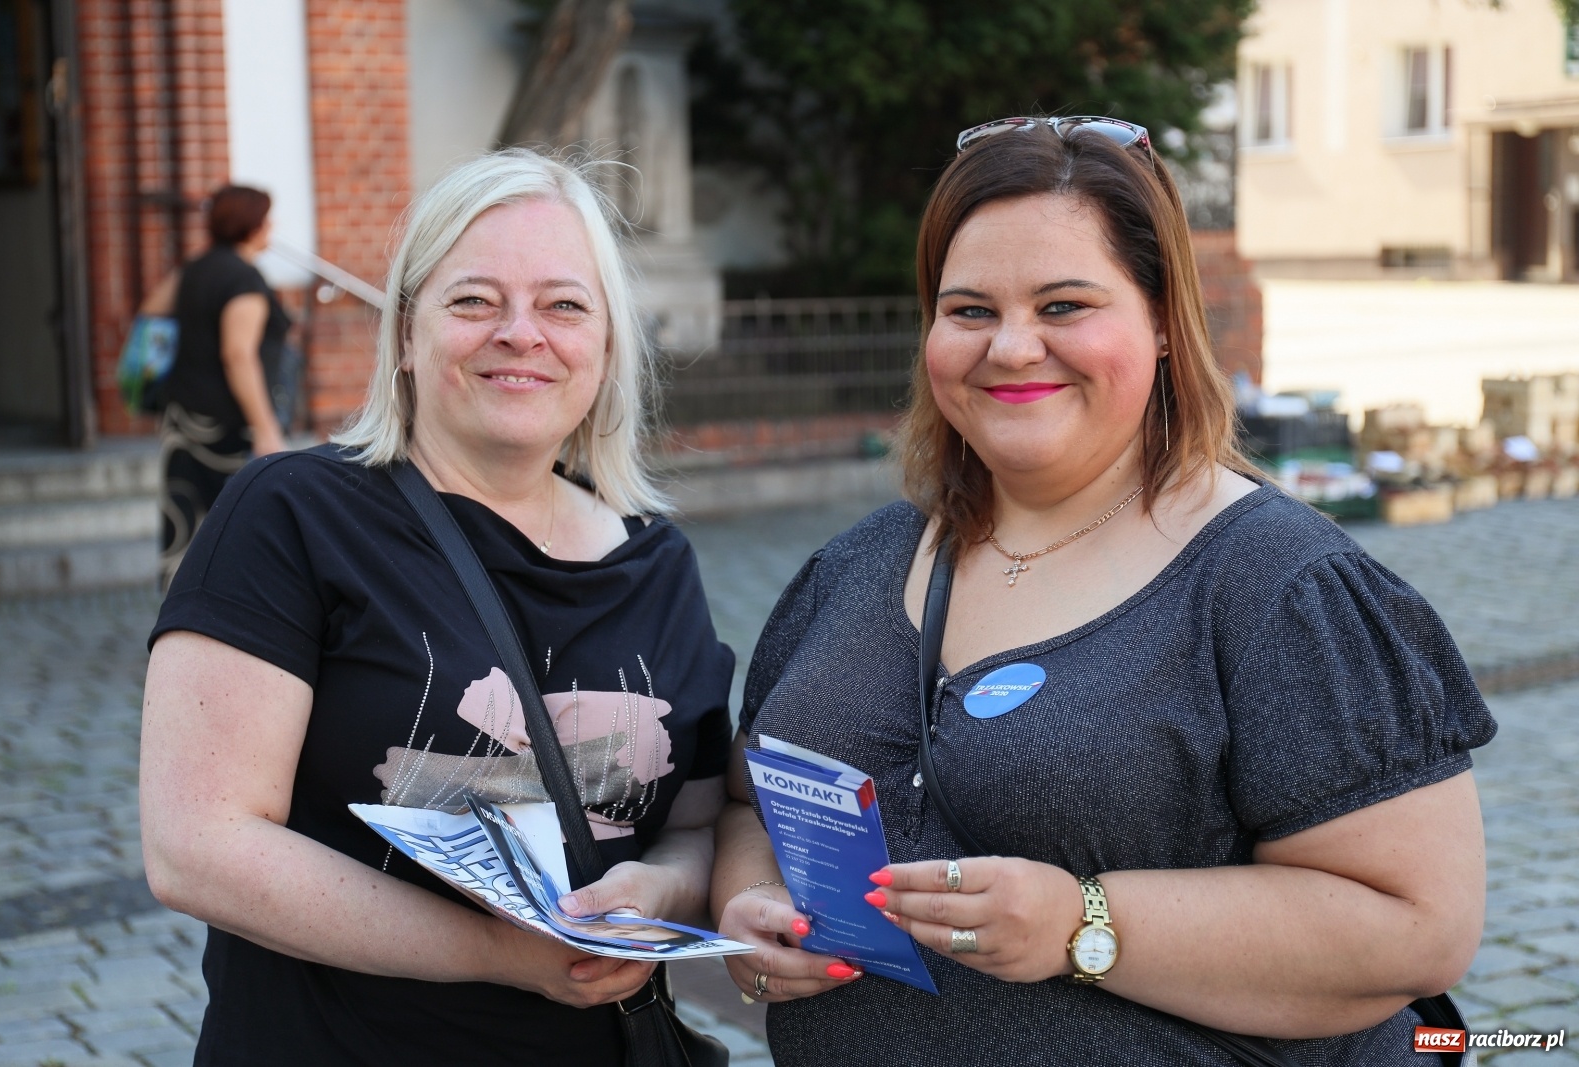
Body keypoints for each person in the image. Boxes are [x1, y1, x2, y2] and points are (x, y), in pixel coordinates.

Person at [710, 116, 1494, 1065]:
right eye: (968, 311)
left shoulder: (1280, 587)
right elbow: (754, 805)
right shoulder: (852, 568)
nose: (1010, 347)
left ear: (1163, 322)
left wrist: (1082, 921)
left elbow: (1417, 926)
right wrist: (746, 912)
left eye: (1064, 305)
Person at [140, 149, 735, 1065]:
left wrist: (658, 890)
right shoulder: (293, 514)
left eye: (564, 304)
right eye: (474, 300)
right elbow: (199, 844)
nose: (520, 332)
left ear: (608, 344)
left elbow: (696, 825)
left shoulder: (658, 560)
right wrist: (504, 953)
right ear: (408, 335)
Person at [140, 184, 292, 588]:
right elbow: (238, 355)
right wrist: (266, 429)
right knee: (240, 533)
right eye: (266, 219)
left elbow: (151, 312)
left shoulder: (195, 267)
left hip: (183, 418)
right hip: (226, 428)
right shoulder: (244, 280)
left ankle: (184, 618)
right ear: (252, 225)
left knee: (187, 523)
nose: (271, 227)